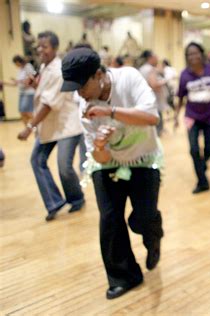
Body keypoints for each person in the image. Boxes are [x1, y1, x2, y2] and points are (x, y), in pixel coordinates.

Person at [61, 47, 164, 299]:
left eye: (82, 85)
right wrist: (99, 146)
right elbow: (99, 157)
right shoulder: (83, 105)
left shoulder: (128, 77)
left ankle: (152, 231)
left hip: (143, 158)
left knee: (143, 217)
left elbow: (152, 117)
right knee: (109, 218)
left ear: (98, 75)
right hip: (107, 164)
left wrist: (110, 112)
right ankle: (123, 275)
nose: (79, 93)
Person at [17, 31, 85, 221]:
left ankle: (77, 198)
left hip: (66, 126)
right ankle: (54, 202)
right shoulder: (45, 67)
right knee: (37, 160)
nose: (40, 50)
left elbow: (48, 104)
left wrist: (29, 127)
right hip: (49, 126)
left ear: (54, 48)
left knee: (64, 166)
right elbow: (45, 95)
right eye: (38, 46)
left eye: (44, 46)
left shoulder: (58, 70)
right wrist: (34, 87)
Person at [176, 42, 210, 194]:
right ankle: (202, 182)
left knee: (209, 149)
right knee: (194, 149)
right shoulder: (184, 75)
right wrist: (176, 117)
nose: (193, 56)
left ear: (201, 54)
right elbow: (180, 97)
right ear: (187, 57)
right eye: (190, 54)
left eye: (196, 53)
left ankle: (202, 165)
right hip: (192, 117)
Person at [139, 50, 169, 136]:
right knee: (156, 124)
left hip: (146, 100)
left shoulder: (142, 68)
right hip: (153, 100)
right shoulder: (150, 69)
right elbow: (154, 84)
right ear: (150, 58)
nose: (157, 59)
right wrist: (164, 81)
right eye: (156, 57)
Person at [0, 55, 36, 125]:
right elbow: (16, 83)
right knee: (22, 112)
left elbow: (32, 79)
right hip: (22, 93)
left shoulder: (28, 67)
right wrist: (4, 82)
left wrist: (22, 82)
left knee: (28, 112)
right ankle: (27, 128)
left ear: (18, 62)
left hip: (29, 93)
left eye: (15, 63)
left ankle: (35, 125)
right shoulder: (20, 70)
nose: (15, 65)